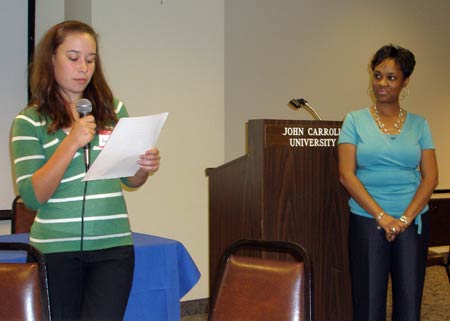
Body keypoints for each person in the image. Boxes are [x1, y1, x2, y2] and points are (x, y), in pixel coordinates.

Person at [11, 20, 161, 321]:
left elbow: (130, 179)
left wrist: (144, 167)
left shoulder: (112, 109)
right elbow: (32, 197)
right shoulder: (28, 122)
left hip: (113, 247)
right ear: (51, 59)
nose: (83, 67)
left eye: (90, 60)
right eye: (73, 58)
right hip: (55, 251)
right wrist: (70, 143)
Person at [338, 44, 438, 321]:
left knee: (409, 305)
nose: (382, 83)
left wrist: (404, 219)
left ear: (405, 81)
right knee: (368, 304)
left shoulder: (420, 124)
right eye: (378, 75)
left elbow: (430, 178)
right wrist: (381, 217)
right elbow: (347, 174)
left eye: (391, 77)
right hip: (367, 220)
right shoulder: (354, 120)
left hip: (412, 221)